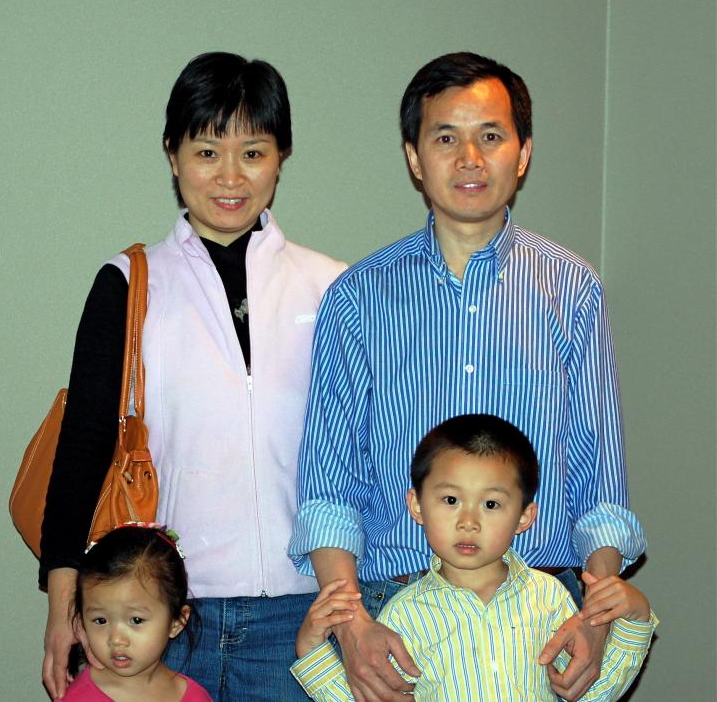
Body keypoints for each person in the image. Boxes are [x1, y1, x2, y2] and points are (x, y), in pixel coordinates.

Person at [289, 51, 646, 701]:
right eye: (446, 138)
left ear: (524, 152)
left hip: (545, 606)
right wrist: (350, 626)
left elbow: (601, 485)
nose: (470, 159)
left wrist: (596, 619)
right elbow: (328, 488)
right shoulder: (356, 298)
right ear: (414, 158)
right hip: (392, 612)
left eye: (491, 136)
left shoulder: (574, 291)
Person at [40, 52, 346, 701]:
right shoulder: (128, 284)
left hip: (299, 620)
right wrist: (62, 609)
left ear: (281, 157)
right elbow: (82, 449)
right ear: (173, 154)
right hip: (159, 624)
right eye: (207, 151)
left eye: (253, 152)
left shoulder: (333, 288)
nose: (229, 176)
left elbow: (362, 457)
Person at [291, 415, 657, 701]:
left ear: (525, 516)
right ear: (417, 505)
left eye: (491, 504)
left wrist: (635, 620)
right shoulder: (403, 614)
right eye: (450, 500)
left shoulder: (549, 599)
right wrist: (312, 654)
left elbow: (592, 692)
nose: (468, 522)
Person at [62, 524, 211, 701]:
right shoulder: (79, 698)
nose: (116, 639)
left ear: (176, 622)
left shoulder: (196, 697)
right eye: (101, 620)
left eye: (136, 620)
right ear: (81, 622)